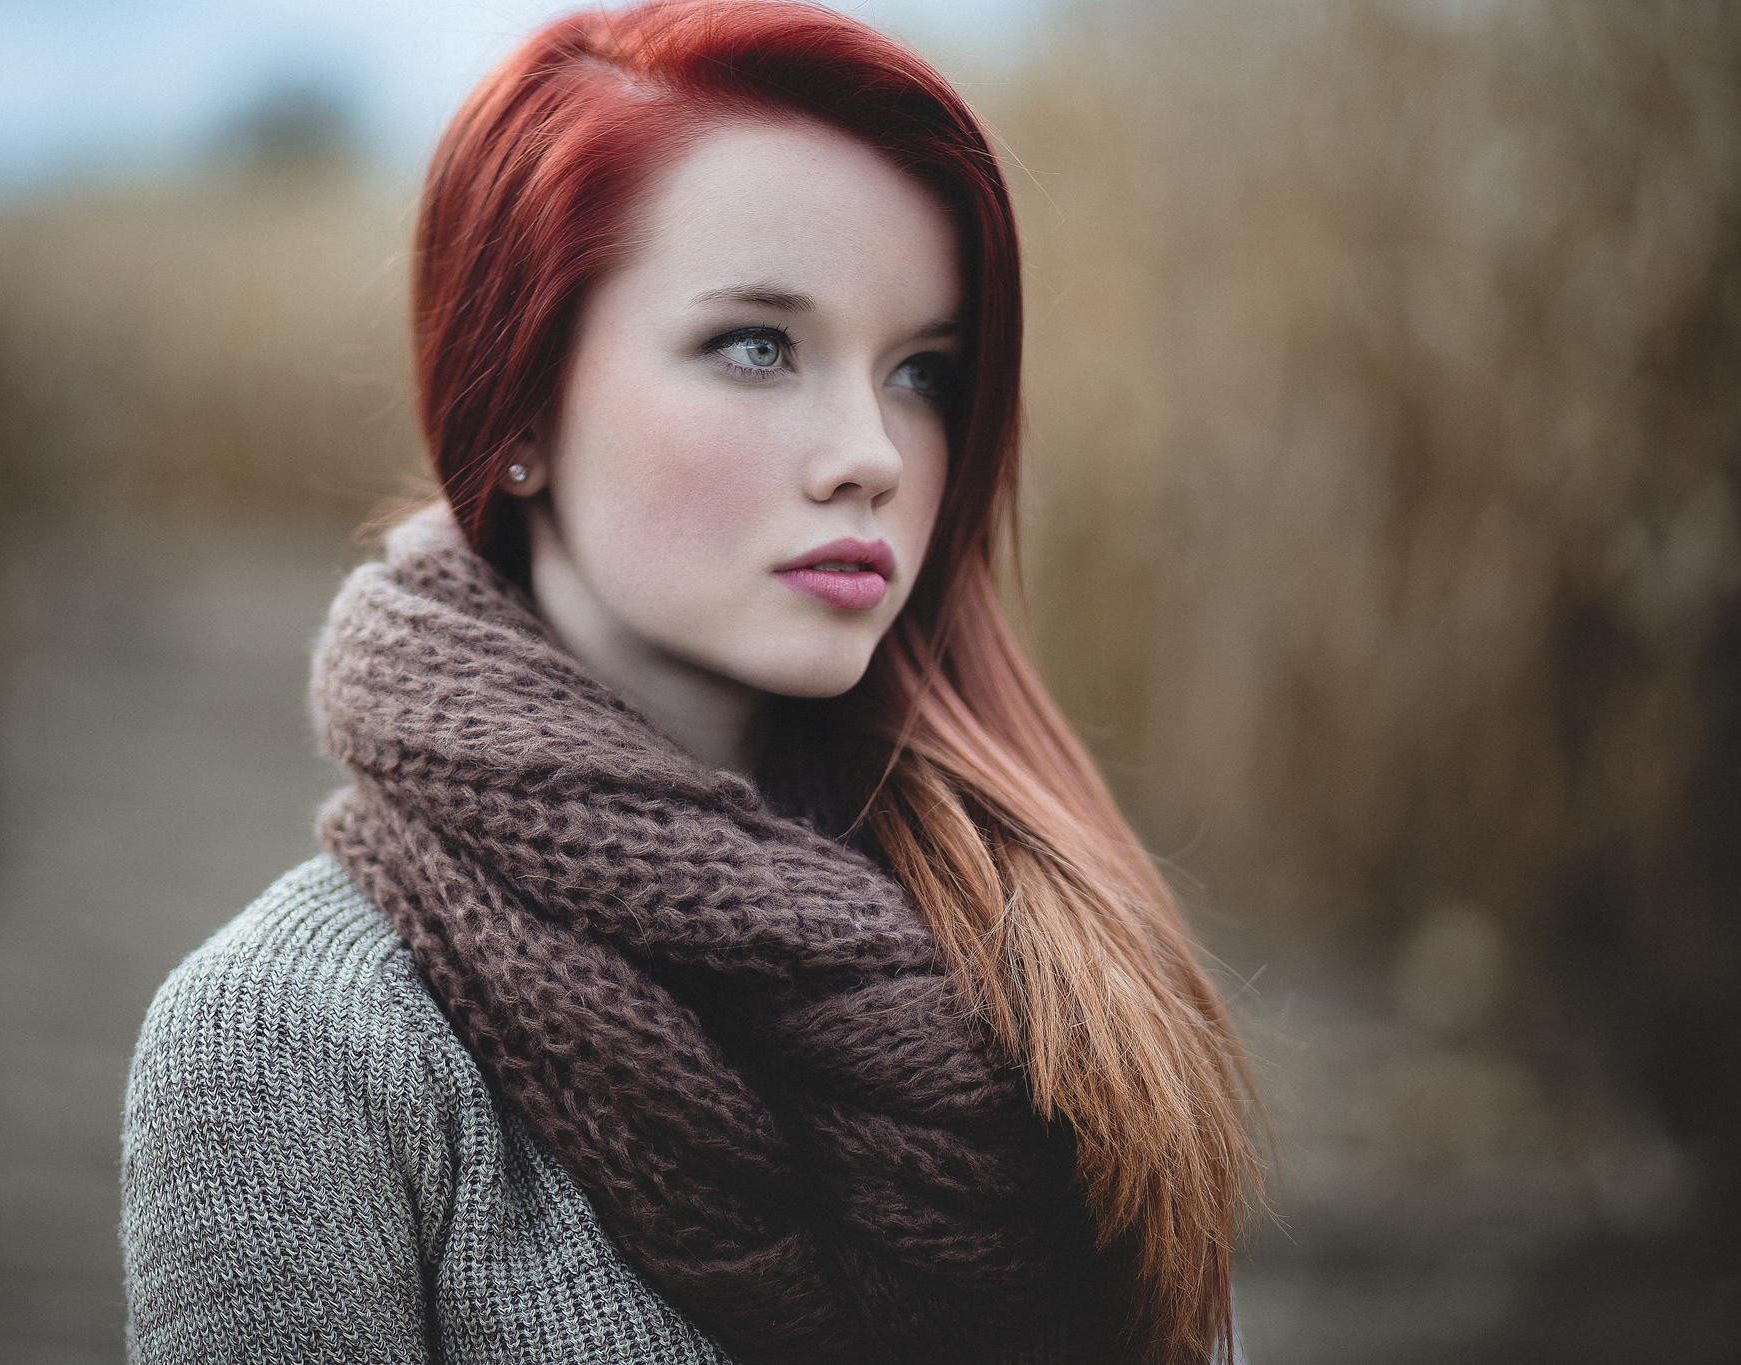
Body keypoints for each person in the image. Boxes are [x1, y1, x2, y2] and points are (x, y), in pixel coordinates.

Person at [118, 2, 1263, 1362]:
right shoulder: (301, 1039)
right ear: (523, 404)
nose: (873, 454)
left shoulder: (1051, 961)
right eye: (759, 345)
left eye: (923, 372)